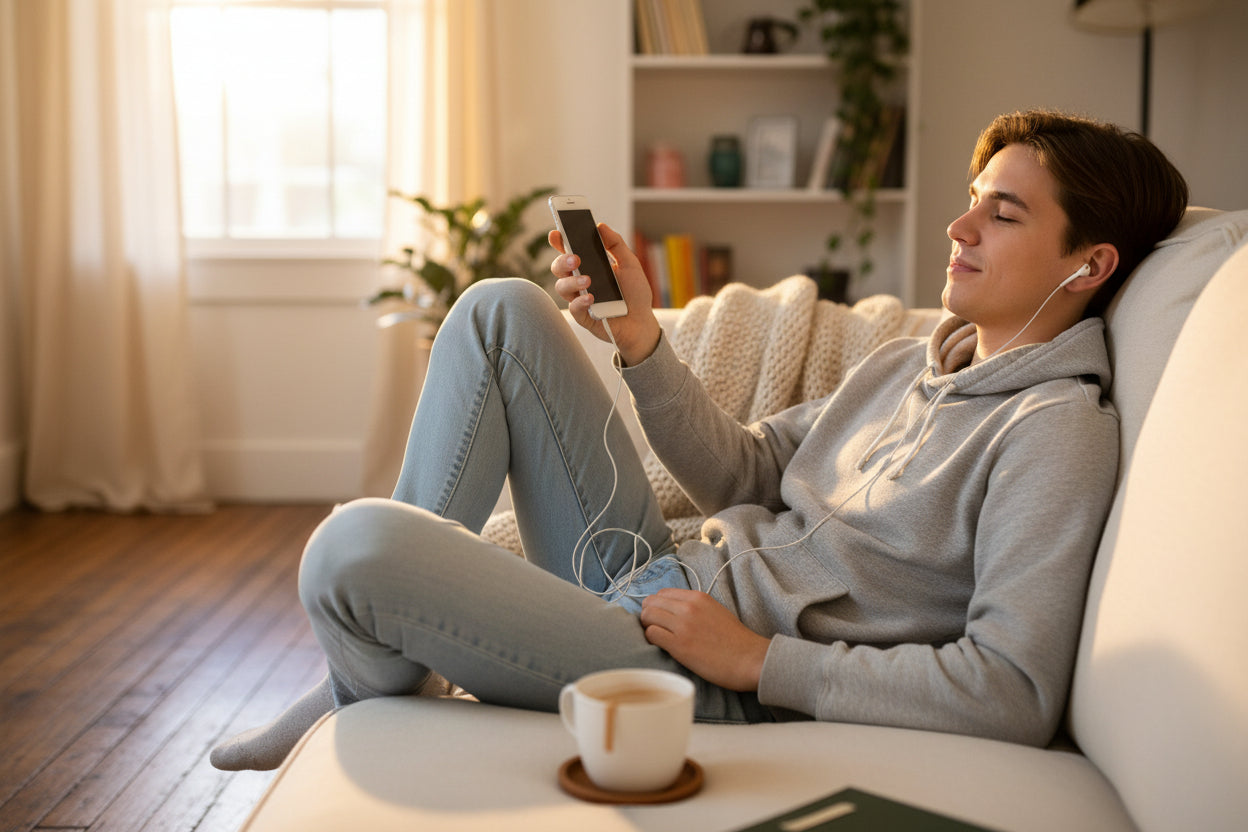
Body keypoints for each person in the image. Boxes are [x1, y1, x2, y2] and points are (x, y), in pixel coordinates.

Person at [210, 109, 1187, 772]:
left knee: (353, 546)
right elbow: (751, 469)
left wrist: (757, 661)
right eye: (973, 195)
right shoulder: (910, 362)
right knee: (498, 311)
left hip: (697, 670)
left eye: (1002, 212)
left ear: (1090, 263)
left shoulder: (1055, 430)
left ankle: (358, 681)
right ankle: (366, 672)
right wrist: (639, 339)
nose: (958, 224)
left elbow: (1011, 689)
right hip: (653, 571)